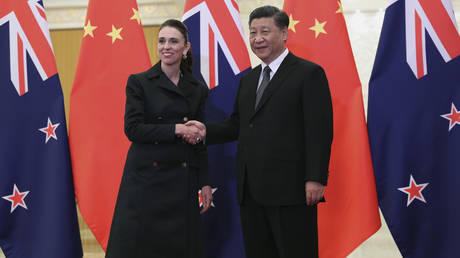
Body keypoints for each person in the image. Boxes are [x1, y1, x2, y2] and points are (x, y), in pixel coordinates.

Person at [186, 6, 333, 258]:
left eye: (265, 31)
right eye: (253, 32)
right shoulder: (249, 80)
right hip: (251, 189)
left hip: (291, 189)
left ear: (285, 33)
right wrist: (204, 131)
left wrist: (315, 178)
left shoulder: (308, 74)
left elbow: (319, 130)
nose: (257, 38)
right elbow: (237, 125)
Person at [105, 19, 213, 258]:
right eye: (162, 41)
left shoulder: (197, 88)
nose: (166, 46)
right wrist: (177, 129)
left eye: (173, 41)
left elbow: (200, 139)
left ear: (186, 48)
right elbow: (133, 129)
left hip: (183, 180)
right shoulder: (139, 82)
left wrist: (204, 180)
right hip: (146, 181)